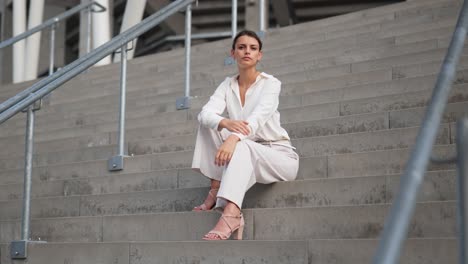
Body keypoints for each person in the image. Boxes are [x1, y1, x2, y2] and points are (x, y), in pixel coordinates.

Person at [191, 30, 299, 240]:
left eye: (253, 48)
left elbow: (258, 117)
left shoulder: (271, 83)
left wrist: (233, 137)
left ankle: (232, 214)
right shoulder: (227, 84)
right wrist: (225, 122)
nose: (246, 52)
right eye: (241, 47)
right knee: (208, 123)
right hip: (245, 150)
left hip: (278, 155)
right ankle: (216, 185)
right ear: (233, 54)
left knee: (241, 143)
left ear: (260, 55)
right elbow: (204, 114)